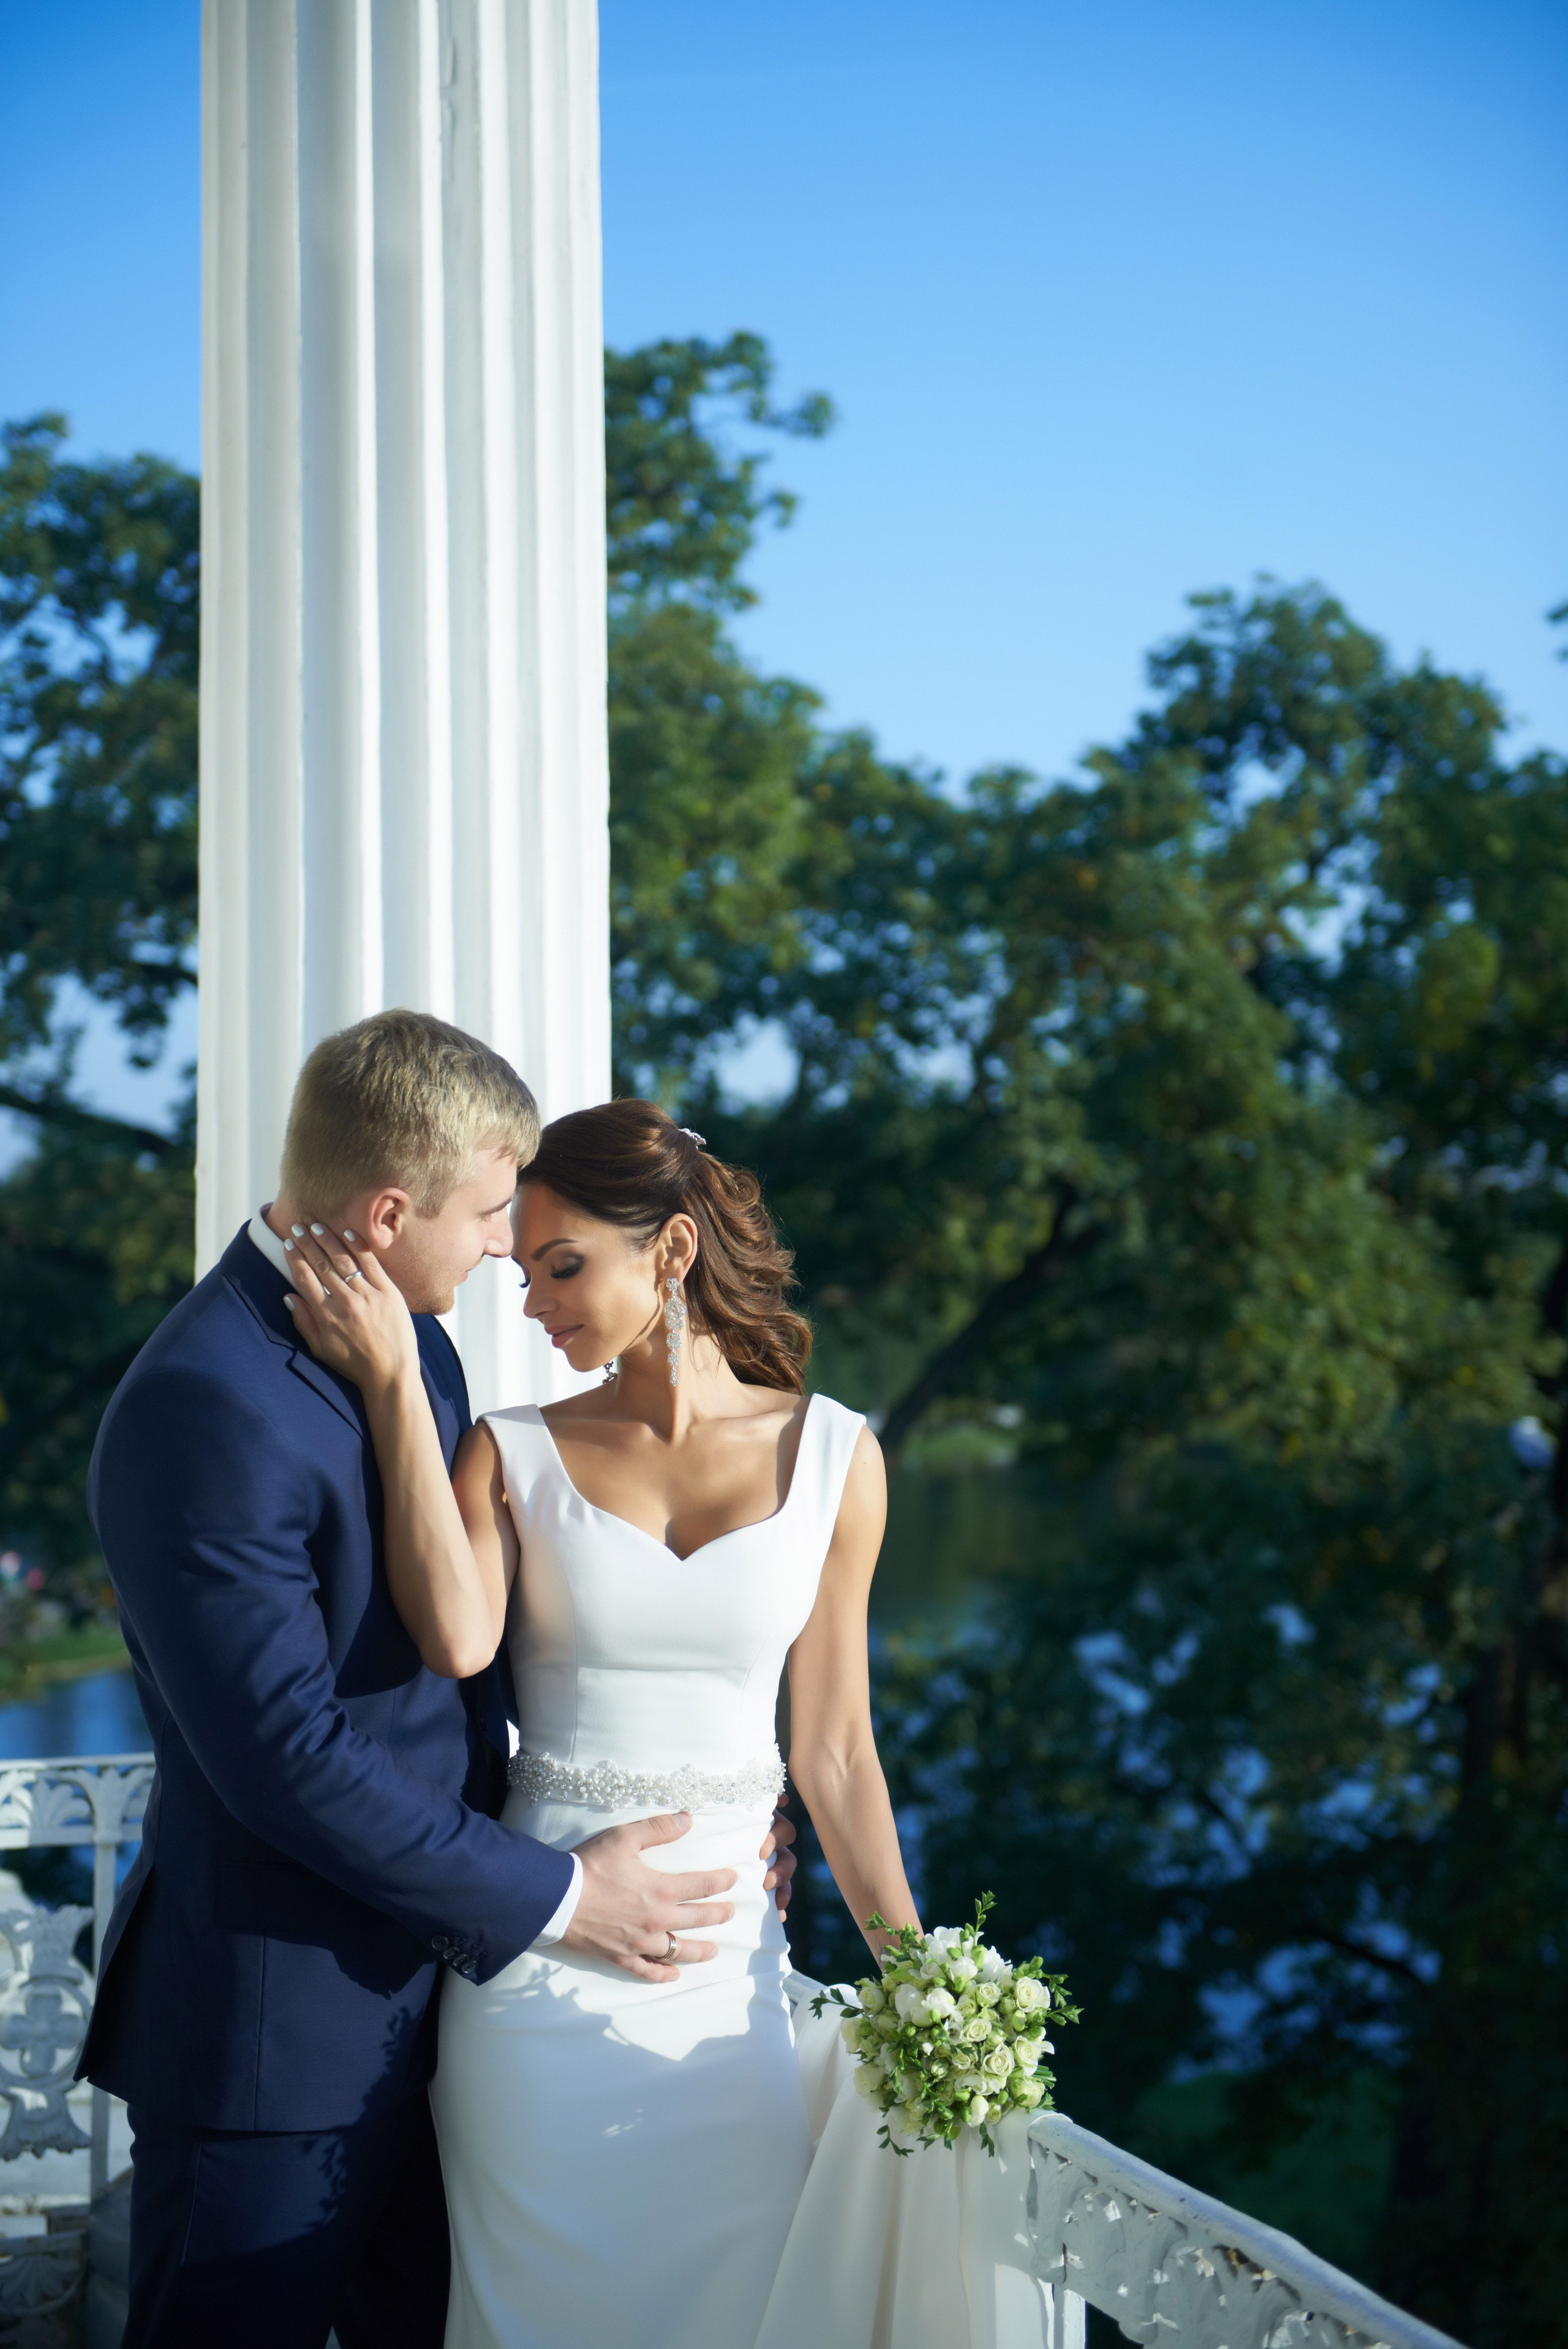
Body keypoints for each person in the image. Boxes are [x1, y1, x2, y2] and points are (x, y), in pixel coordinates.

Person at [81, 1017, 794, 2349]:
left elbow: (468, 1657)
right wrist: (566, 1897)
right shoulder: (203, 1400)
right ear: (390, 1207)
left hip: (457, 2016)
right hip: (277, 2043)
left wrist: (714, 1795)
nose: (494, 1254)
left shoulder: (417, 1344)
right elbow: (285, 1754)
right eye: (483, 1217)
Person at [283, 1097, 922, 2349]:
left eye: (561, 1266)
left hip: (726, 1990)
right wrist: (396, 1388)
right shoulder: (505, 1451)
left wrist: (920, 1981)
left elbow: (835, 1748)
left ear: (672, 1252)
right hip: (538, 1987)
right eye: (521, 1272)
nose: (531, 1304)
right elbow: (458, 1640)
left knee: (736, 2308)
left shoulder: (839, 1459)